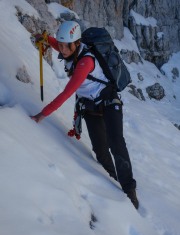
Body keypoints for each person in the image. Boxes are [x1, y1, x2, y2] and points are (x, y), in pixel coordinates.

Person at [31, 21, 139, 209]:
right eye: (62, 45)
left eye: (67, 46)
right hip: (89, 107)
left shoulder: (85, 62)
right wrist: (46, 39)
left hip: (108, 103)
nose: (62, 50)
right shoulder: (70, 48)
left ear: (77, 43)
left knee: (116, 143)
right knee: (100, 151)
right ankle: (112, 177)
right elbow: (58, 43)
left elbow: (66, 93)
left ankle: (129, 190)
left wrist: (42, 114)